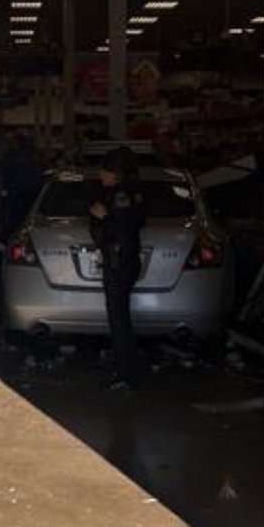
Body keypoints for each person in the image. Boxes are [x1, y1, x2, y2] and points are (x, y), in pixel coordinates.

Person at [89, 147, 147, 389]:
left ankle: (125, 374)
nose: (100, 174)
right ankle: (126, 367)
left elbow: (120, 231)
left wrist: (103, 217)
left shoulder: (119, 196)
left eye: (105, 169)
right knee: (120, 318)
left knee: (119, 320)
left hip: (118, 262)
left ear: (116, 173)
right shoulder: (135, 193)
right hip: (126, 261)